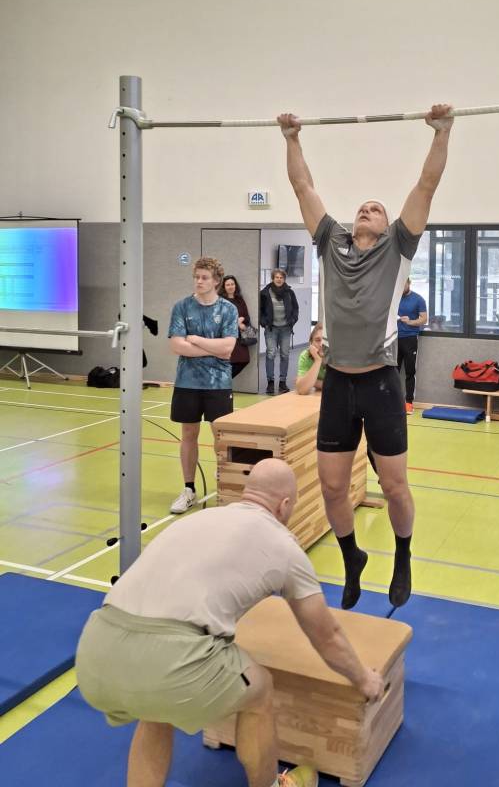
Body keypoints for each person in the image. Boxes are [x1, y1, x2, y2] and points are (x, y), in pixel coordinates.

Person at [75, 458, 383, 787]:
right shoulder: (283, 545)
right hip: (174, 664)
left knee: (154, 709)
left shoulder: (196, 519)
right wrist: (364, 680)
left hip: (95, 652)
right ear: (284, 505)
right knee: (259, 689)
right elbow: (326, 635)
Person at [278, 103, 453, 611]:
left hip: (380, 383)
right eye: (362, 207)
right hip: (337, 382)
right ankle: (351, 556)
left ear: (387, 221)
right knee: (332, 487)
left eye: (375, 208)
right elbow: (303, 187)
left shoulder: (397, 244)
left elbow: (426, 186)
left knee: (394, 485)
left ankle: (403, 555)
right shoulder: (331, 240)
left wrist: (441, 133)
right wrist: (292, 138)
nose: (366, 210)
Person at [167, 257, 238, 515]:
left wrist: (195, 340)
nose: (199, 281)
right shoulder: (182, 307)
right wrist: (213, 348)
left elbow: (228, 348)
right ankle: (188, 489)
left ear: (216, 281)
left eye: (204, 277)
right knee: (188, 434)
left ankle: (227, 488)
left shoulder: (228, 310)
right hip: (187, 382)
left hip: (219, 383)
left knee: (221, 436)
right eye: (196, 277)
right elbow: (177, 345)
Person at [259, 269, 299, 395]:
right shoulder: (265, 293)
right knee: (271, 353)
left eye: (281, 277)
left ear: (284, 279)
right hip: (271, 328)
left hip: (286, 328)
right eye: (276, 277)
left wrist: (292, 320)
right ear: (273, 278)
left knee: (285, 355)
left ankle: (282, 382)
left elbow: (295, 308)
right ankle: (270, 382)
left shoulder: (290, 292)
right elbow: (260, 310)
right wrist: (264, 322)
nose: (279, 279)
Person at [397, 278, 428, 415]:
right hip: (394, 339)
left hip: (410, 338)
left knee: (410, 371)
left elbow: (424, 319)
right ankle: (392, 402)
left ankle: (409, 402)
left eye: (403, 284)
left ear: (409, 283)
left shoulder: (418, 299)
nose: (401, 287)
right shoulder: (394, 298)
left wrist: (410, 322)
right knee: (392, 372)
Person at [220, 275, 253, 379]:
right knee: (230, 361)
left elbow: (247, 316)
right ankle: (222, 383)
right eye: (228, 285)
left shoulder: (240, 299)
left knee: (244, 360)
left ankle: (223, 381)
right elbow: (220, 319)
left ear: (235, 285)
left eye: (232, 284)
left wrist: (242, 321)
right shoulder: (221, 301)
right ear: (224, 287)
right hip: (228, 336)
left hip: (241, 336)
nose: (230, 286)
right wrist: (235, 322)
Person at [295, 322, 326, 395]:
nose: (321, 344)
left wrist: (314, 382)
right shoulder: (305, 356)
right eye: (317, 340)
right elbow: (302, 390)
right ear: (311, 343)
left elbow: (343, 387)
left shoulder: (339, 356)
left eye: (325, 340)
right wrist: (318, 360)